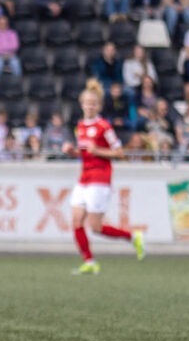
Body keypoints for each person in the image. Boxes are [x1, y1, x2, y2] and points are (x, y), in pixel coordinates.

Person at [62, 80, 145, 275]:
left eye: (93, 103)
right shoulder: (80, 126)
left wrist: (98, 150)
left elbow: (119, 153)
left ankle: (133, 237)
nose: (89, 106)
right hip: (84, 177)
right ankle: (89, 261)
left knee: (96, 227)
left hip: (100, 177)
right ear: (82, 104)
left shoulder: (104, 126)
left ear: (98, 106)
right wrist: (72, 152)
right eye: (86, 102)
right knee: (75, 220)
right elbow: (84, 153)